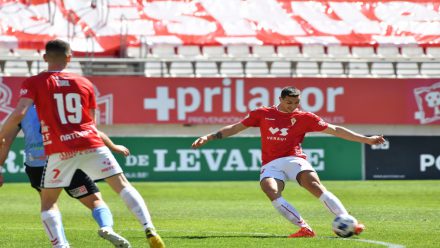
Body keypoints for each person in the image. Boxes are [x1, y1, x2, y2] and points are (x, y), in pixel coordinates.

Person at [0, 39, 165, 248]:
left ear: (44, 58)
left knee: (49, 202)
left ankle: (61, 245)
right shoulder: (85, 83)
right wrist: (113, 147)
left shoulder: (35, 85)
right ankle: (147, 227)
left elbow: (16, 119)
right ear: (70, 58)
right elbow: (92, 125)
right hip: (89, 144)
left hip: (57, 153)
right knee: (120, 186)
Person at [192, 86, 385, 238]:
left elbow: (335, 130)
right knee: (270, 190)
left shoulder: (305, 117)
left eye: (296, 102)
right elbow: (235, 128)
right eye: (289, 102)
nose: (292, 106)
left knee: (315, 186)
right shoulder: (262, 113)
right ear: (280, 99)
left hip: (294, 159)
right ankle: (304, 228)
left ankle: (349, 222)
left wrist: (367, 139)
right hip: (271, 164)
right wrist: (208, 137)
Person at [0, 103, 131, 247]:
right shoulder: (61, 106)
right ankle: (106, 226)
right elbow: (90, 130)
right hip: (65, 161)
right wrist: (112, 146)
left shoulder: (21, 112)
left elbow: (4, 142)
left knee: (49, 205)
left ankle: (61, 244)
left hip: (37, 166)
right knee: (95, 201)